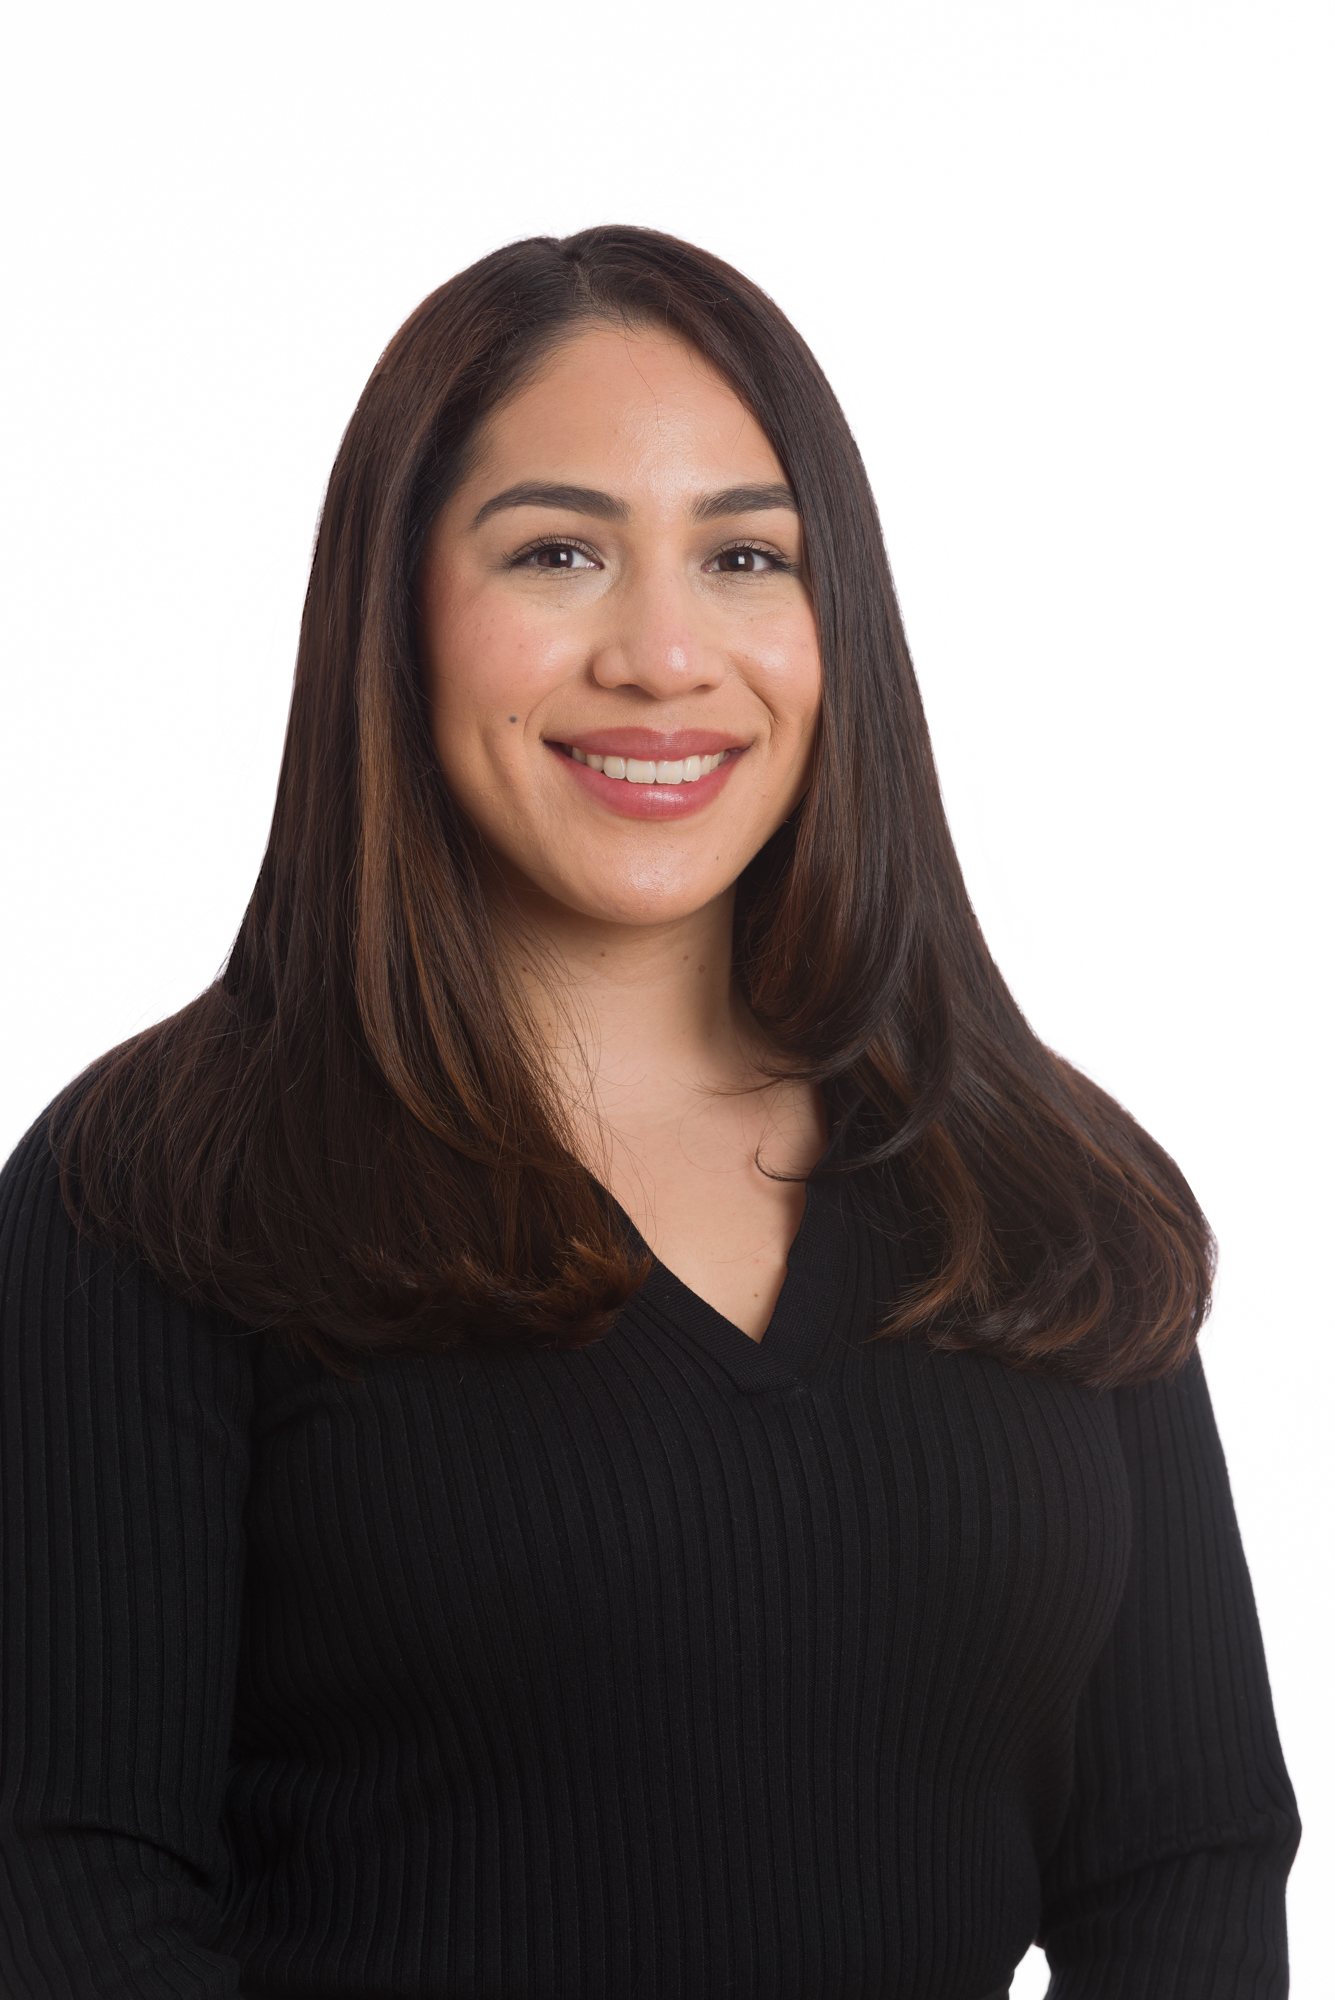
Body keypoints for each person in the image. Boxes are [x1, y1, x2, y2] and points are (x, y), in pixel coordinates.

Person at [0, 225, 1298, 1998]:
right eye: (557, 551)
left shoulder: (1042, 1186)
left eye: (747, 556)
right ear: (396, 611)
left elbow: (1187, 1862)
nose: (665, 656)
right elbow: (72, 1893)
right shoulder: (154, 1192)